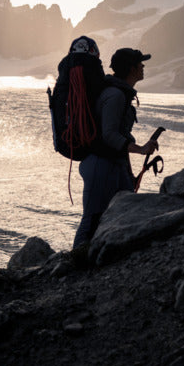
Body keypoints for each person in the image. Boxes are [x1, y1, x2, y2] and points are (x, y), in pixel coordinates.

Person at [72, 47, 160, 252]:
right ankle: (72, 268)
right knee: (92, 219)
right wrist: (140, 149)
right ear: (131, 68)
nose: (143, 66)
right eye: (140, 62)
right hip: (100, 165)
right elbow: (109, 135)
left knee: (126, 211)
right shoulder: (115, 95)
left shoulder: (119, 93)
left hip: (112, 164)